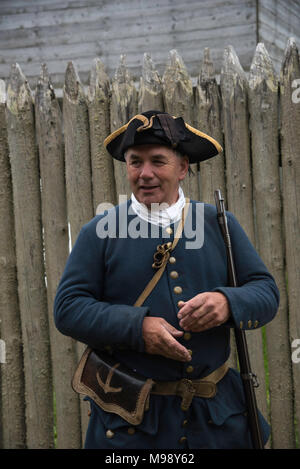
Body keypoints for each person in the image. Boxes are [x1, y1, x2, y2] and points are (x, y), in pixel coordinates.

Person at [54, 110, 279, 449]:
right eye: (135, 162)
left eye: (158, 161)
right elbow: (68, 309)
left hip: (216, 422)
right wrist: (137, 328)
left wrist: (227, 303)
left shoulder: (219, 223)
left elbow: (266, 292)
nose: (145, 173)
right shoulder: (100, 231)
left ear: (183, 168)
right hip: (133, 430)